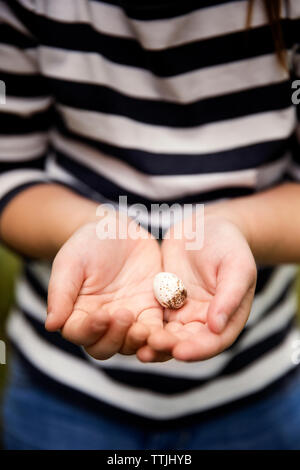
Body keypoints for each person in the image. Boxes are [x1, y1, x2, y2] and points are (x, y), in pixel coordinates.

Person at [0, 0, 300, 450]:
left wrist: (234, 225)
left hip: (259, 388)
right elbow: (9, 172)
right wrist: (99, 228)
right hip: (63, 393)